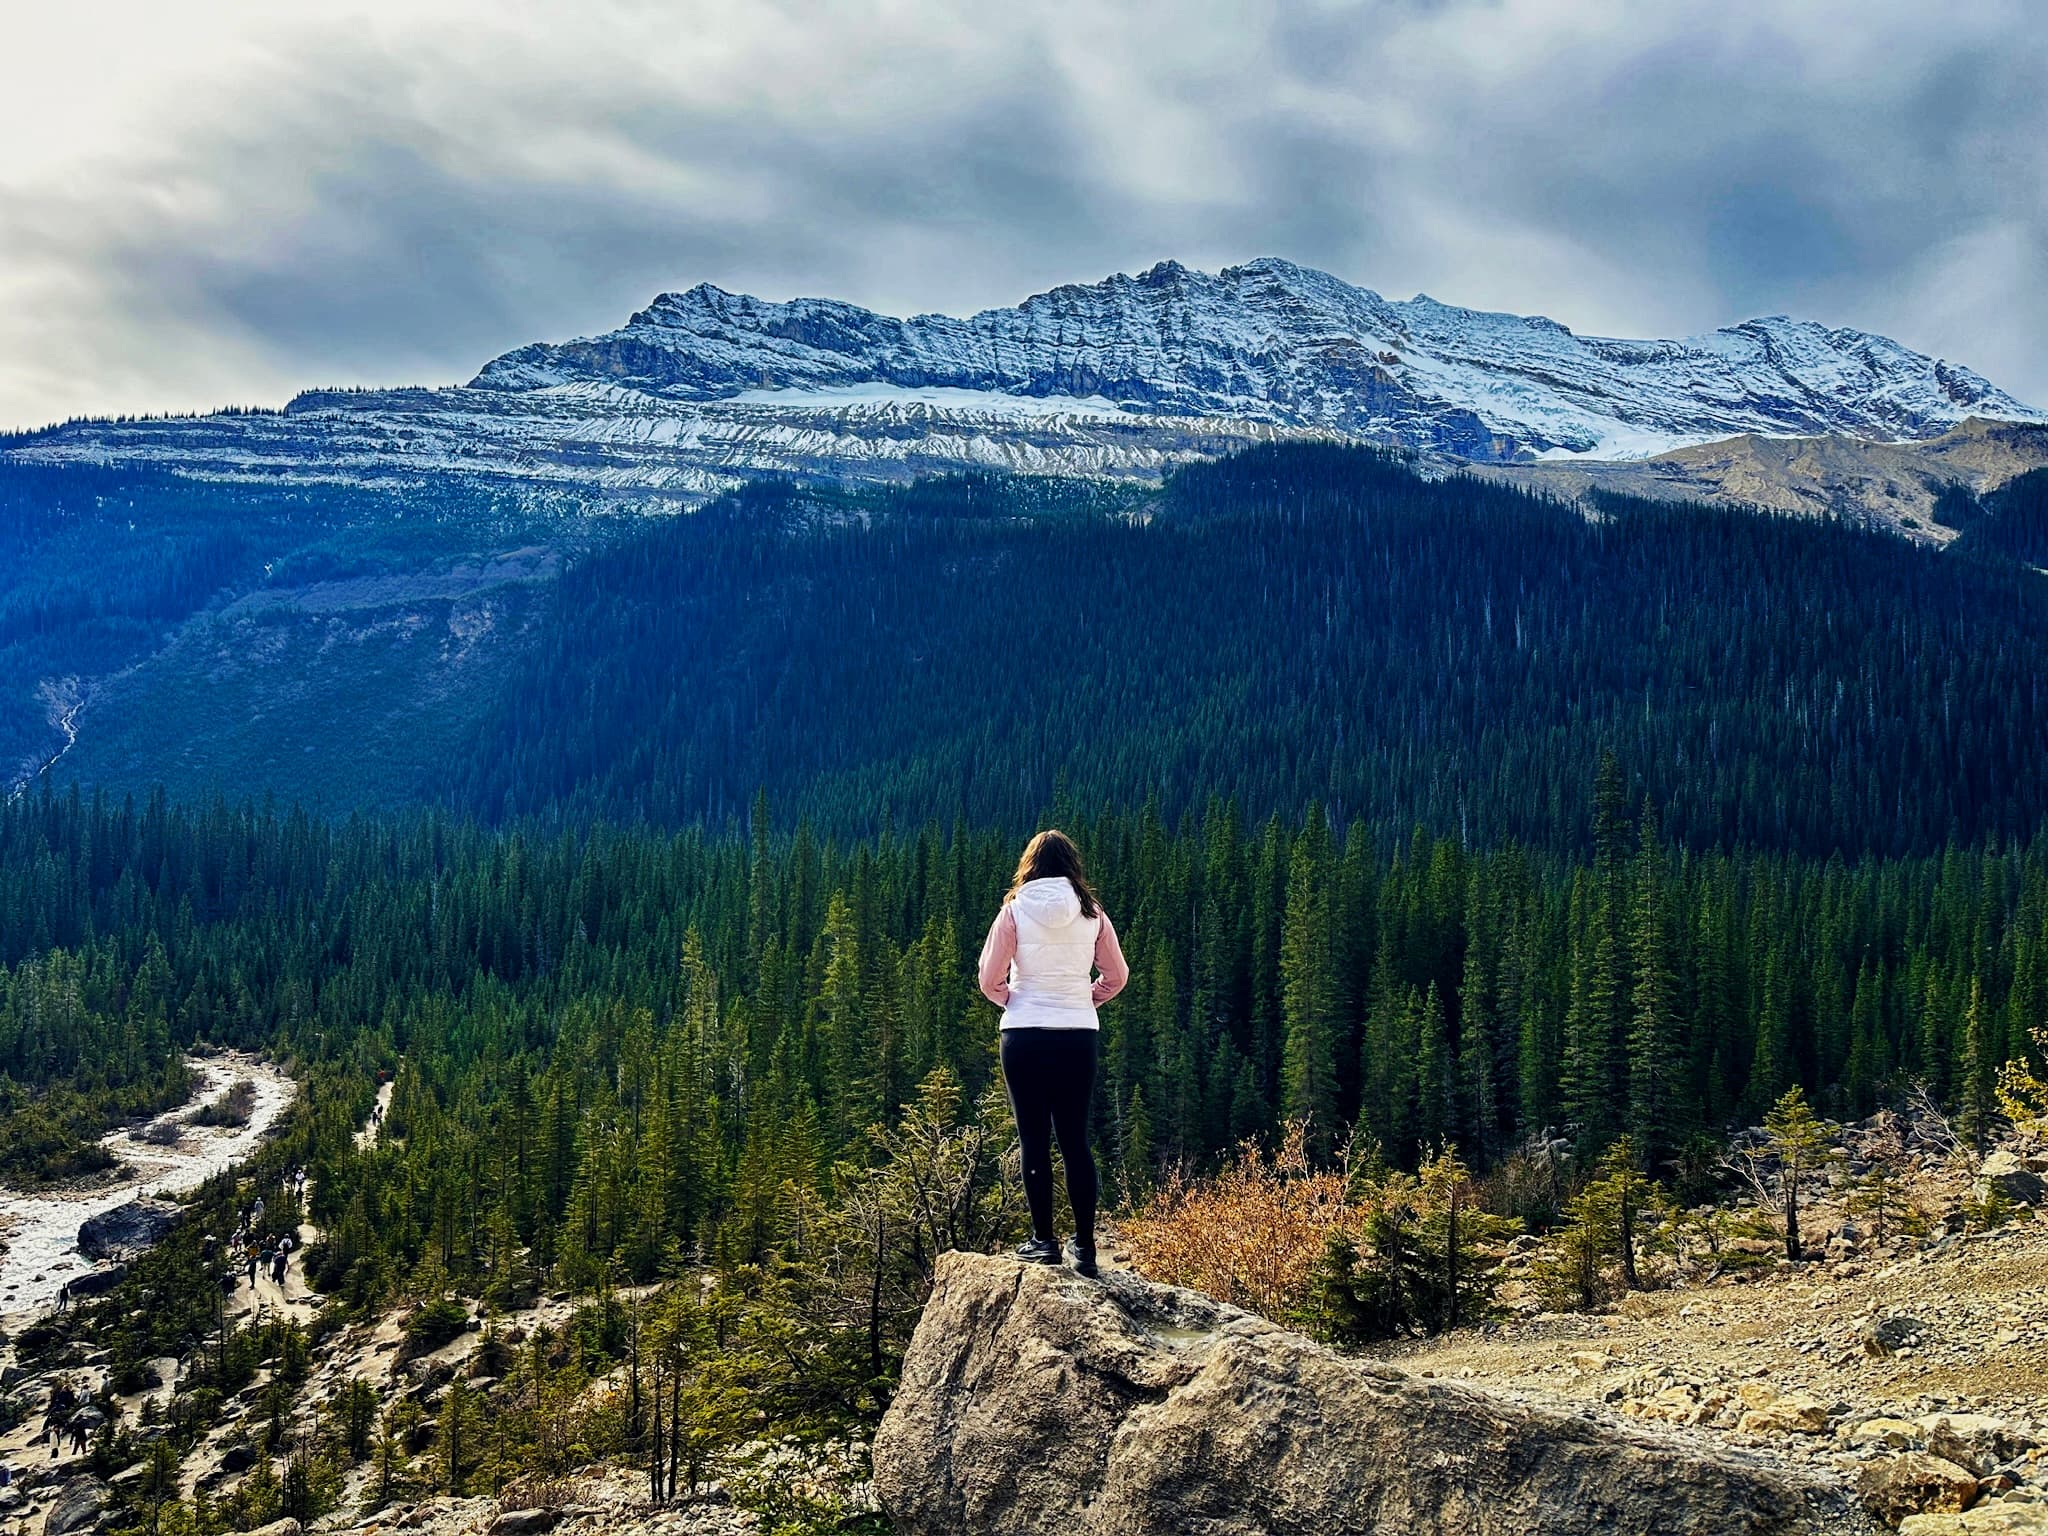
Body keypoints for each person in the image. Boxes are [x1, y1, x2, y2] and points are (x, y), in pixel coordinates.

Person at [977, 829, 1129, 1277]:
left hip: (1024, 1036)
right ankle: (1084, 1247)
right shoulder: (1092, 913)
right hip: (1077, 1034)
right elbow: (1116, 975)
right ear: (1072, 865)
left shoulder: (1014, 911)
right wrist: (1086, 998)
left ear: (1030, 865)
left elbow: (989, 978)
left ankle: (1043, 1241)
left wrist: (1016, 1000)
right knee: (1075, 1141)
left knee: (1033, 1140)